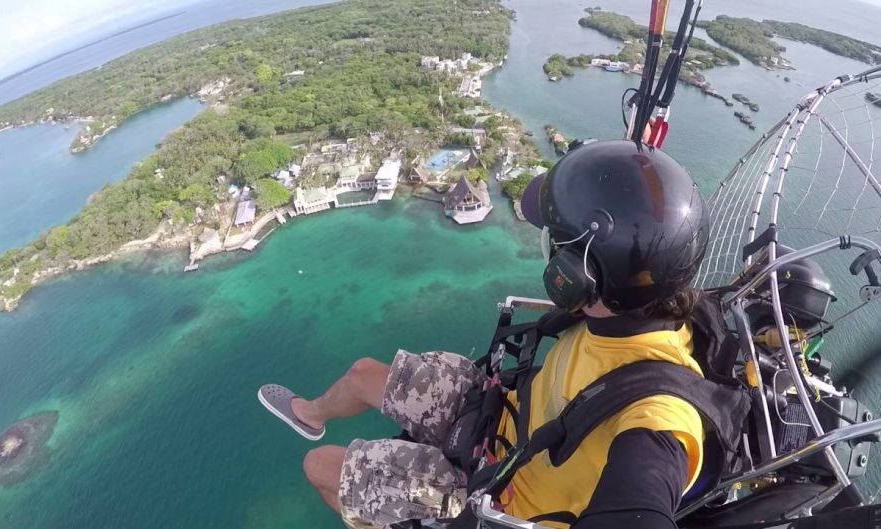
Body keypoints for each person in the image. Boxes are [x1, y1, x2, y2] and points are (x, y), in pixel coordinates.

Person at [259, 139, 711, 529]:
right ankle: (310, 415)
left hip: (499, 490)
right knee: (362, 375)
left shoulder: (658, 416)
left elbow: (645, 495)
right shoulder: (640, 307)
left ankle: (389, 516)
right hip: (502, 414)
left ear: (577, 277)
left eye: (554, 239)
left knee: (319, 467)